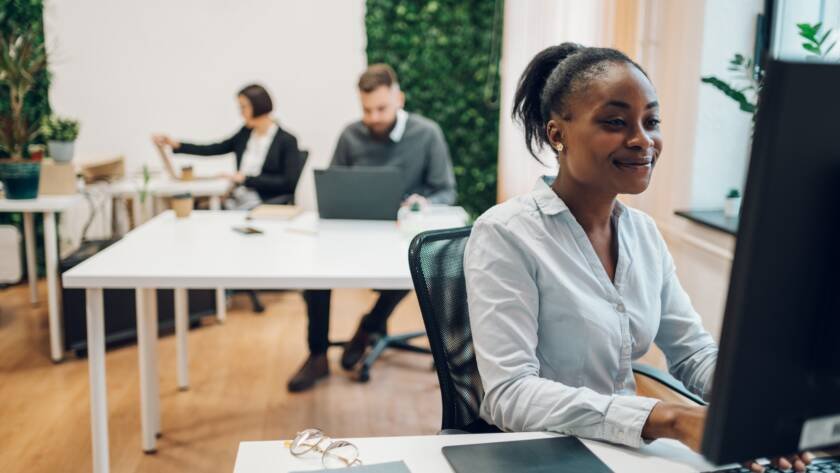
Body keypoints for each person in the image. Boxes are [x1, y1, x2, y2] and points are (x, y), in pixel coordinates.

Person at [464, 43, 811, 473]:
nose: (643, 140)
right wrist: (667, 417)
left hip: (626, 454)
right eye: (615, 122)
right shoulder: (505, 234)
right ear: (558, 134)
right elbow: (509, 394)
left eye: (651, 121)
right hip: (540, 457)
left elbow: (693, 353)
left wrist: (758, 408)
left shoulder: (643, 234)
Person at [287, 64, 457, 392]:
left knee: (418, 261)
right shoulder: (351, 133)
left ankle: (370, 326)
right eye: (367, 110)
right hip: (357, 229)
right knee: (315, 272)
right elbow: (334, 183)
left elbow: (446, 190)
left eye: (382, 108)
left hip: (402, 232)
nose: (374, 117)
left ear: (399, 98)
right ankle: (318, 355)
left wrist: (422, 202)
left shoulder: (427, 133)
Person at [152, 84, 304, 210]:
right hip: (239, 197)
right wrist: (176, 144)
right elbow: (214, 148)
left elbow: (288, 183)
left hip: (265, 202)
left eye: (243, 107)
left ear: (258, 106)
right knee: (200, 207)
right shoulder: (246, 133)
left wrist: (245, 179)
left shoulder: (287, 140)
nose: (241, 113)